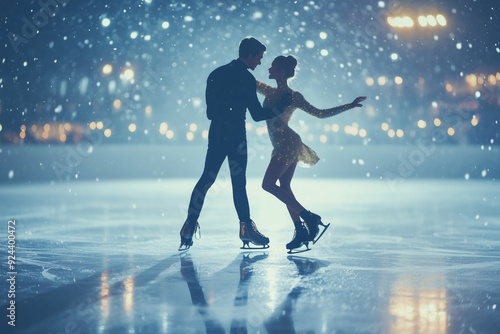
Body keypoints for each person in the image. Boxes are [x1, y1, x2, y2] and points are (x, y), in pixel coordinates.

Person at [179, 37, 291, 251]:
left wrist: (225, 114)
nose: (259, 62)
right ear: (249, 55)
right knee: (238, 184)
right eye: (259, 57)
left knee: (206, 179)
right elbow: (257, 115)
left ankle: (189, 226)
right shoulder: (246, 79)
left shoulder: (215, 74)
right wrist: (280, 107)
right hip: (237, 137)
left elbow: (210, 112)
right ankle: (245, 229)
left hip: (218, 133)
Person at [257, 55, 366, 252]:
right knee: (284, 186)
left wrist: (348, 106)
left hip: (287, 144)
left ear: (281, 72)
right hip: (285, 143)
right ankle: (300, 230)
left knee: (267, 184)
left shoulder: (292, 96)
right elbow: (252, 83)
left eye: (272, 67)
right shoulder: (270, 91)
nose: (268, 70)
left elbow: (320, 113)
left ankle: (309, 217)